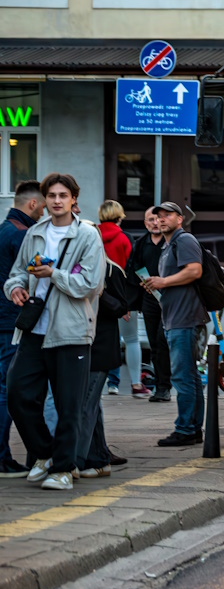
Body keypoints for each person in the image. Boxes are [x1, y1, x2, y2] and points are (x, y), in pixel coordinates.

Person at [4, 173, 107, 491]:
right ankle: (45, 454)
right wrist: (16, 289)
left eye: (64, 195)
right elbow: (15, 274)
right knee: (17, 393)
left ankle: (63, 469)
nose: (58, 201)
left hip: (72, 330)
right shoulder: (34, 233)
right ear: (44, 199)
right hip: (35, 329)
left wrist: (54, 274)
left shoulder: (88, 236)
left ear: (74, 199)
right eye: (52, 195)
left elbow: (89, 284)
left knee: (68, 404)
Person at [141, 202, 207, 447]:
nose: (161, 219)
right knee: (188, 376)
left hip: (185, 319)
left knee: (182, 377)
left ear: (180, 219)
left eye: (167, 215)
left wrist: (163, 281)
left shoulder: (184, 240)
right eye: (158, 216)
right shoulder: (169, 246)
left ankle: (186, 429)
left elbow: (194, 271)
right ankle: (192, 428)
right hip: (174, 318)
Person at [77, 255, 135, 478]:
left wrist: (99, 293)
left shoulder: (112, 271)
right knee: (91, 405)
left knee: (86, 404)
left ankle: (79, 460)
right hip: (79, 343)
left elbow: (122, 307)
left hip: (101, 346)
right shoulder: (75, 267)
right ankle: (99, 457)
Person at [0, 180, 44, 478]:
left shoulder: (4, 229)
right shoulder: (23, 234)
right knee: (7, 389)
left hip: (2, 319)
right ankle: (2, 457)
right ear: (32, 204)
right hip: (11, 321)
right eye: (44, 203)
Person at [96, 201, 148, 398]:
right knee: (131, 339)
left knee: (101, 339)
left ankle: (104, 384)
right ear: (119, 215)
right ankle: (136, 384)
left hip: (98, 296)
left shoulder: (93, 235)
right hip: (124, 298)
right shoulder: (125, 238)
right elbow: (134, 269)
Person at [127, 207, 171, 401]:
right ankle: (160, 388)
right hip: (149, 299)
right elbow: (132, 268)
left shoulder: (171, 243)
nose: (155, 223)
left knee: (164, 341)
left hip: (171, 300)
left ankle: (165, 386)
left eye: (158, 219)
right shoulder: (140, 244)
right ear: (145, 223)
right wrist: (141, 281)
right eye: (150, 220)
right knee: (154, 344)